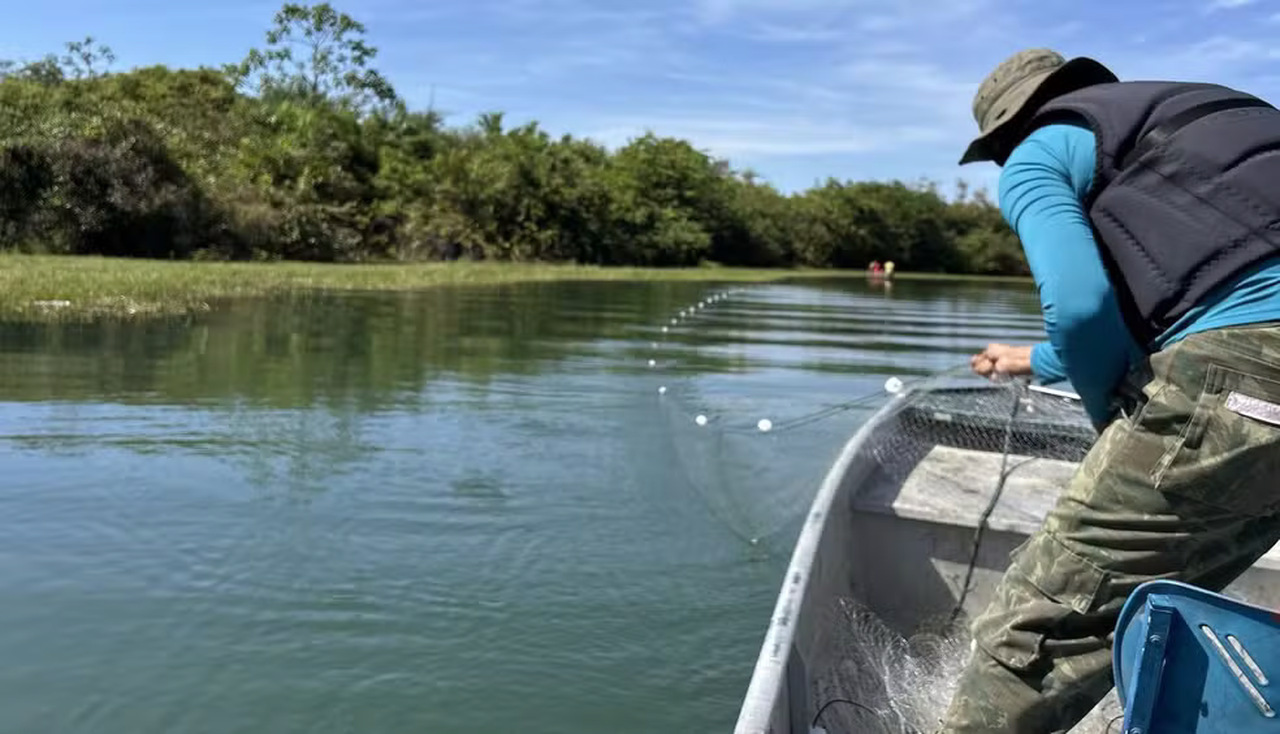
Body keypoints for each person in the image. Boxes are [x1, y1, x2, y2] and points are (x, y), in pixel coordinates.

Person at [940, 48, 1280, 734]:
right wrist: (1031, 360)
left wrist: (1114, 423)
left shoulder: (1038, 152)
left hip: (1248, 386)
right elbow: (1218, 299)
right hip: (1253, 377)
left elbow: (1083, 310)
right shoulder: (1217, 120)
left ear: (1006, 134)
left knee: (1027, 640)